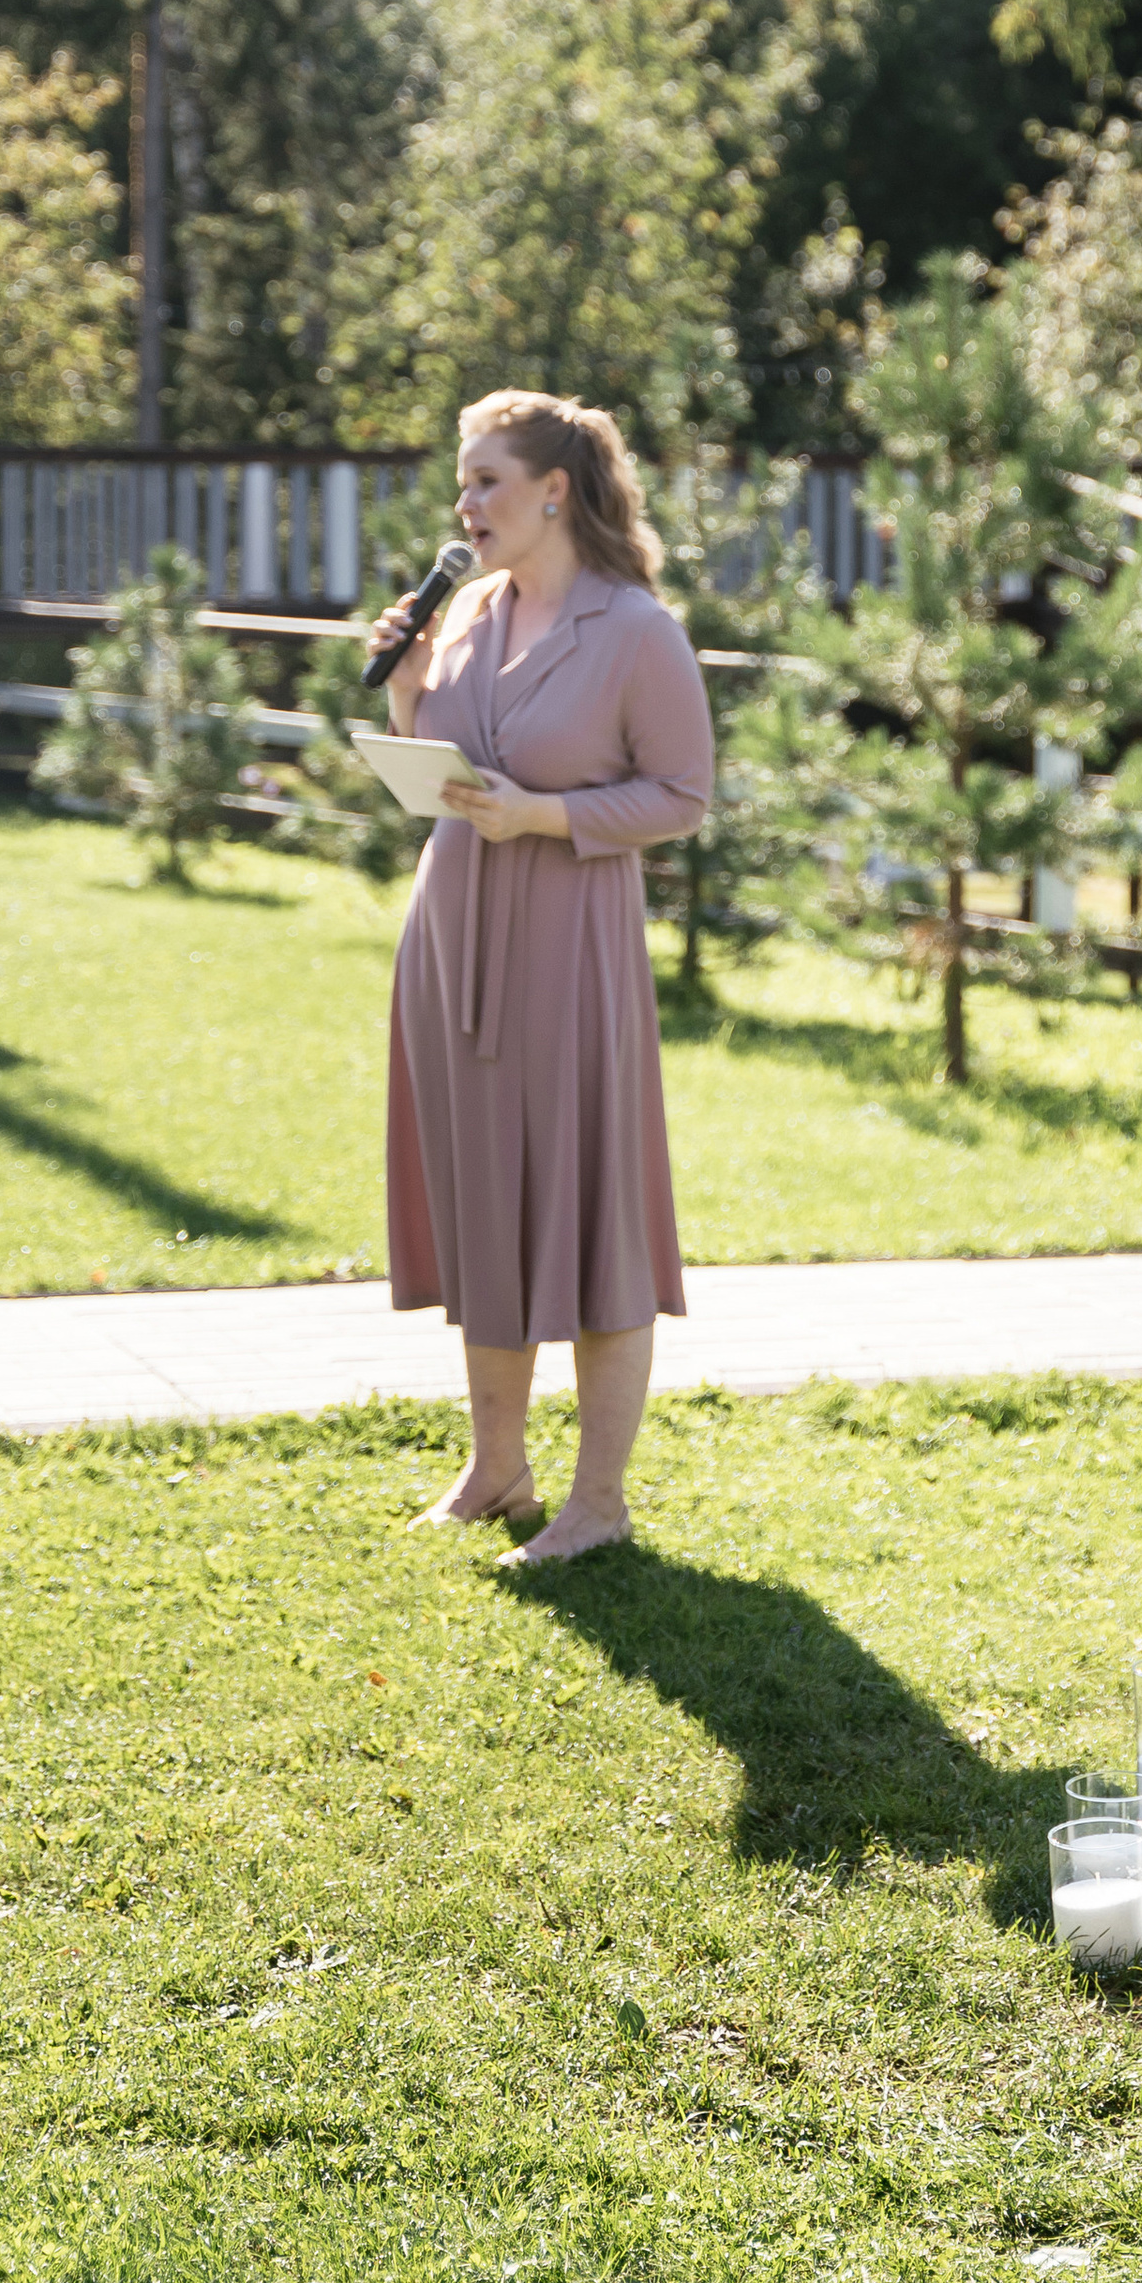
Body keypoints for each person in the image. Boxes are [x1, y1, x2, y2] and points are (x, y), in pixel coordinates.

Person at [372, 389, 714, 1563]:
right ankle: (496, 1469)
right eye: (461, 483)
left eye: (487, 482)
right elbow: (439, 765)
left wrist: (547, 817)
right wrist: (407, 677)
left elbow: (681, 796)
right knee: (481, 1200)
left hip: (570, 946)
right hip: (451, 934)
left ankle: (597, 1503)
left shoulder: (636, 631)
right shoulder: (468, 612)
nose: (465, 504)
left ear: (553, 490)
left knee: (589, 1209)